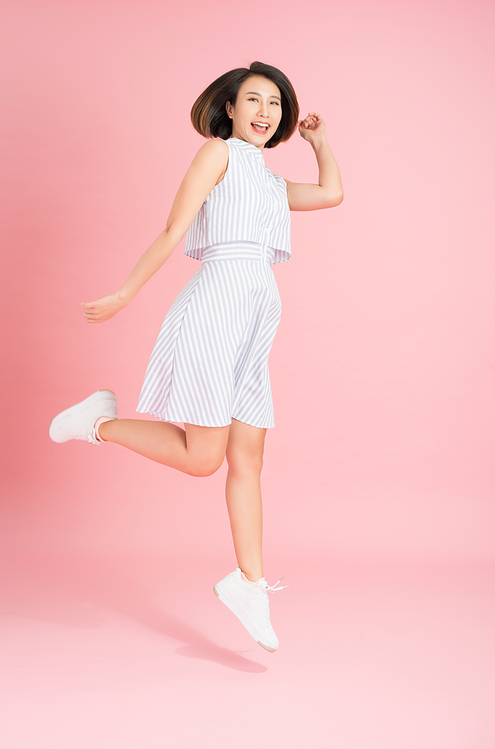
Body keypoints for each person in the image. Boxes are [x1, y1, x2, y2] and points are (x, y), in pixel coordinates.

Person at [49, 61, 344, 653]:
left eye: (275, 105)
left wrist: (319, 141)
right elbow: (171, 229)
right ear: (229, 108)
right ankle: (99, 423)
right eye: (254, 101)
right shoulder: (219, 154)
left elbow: (332, 193)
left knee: (249, 458)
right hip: (215, 309)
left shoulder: (268, 183)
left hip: (256, 319)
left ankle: (249, 583)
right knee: (203, 458)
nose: (265, 112)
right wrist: (126, 293)